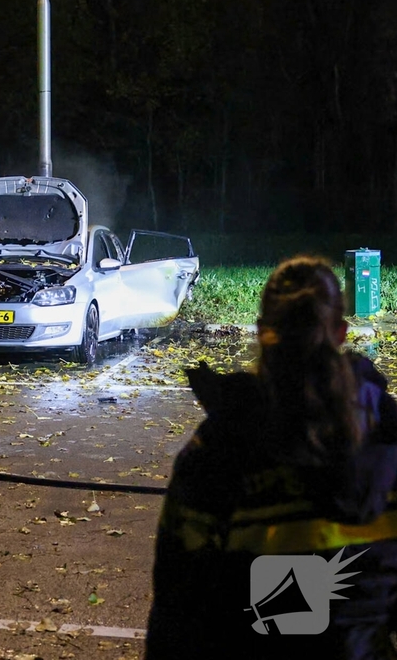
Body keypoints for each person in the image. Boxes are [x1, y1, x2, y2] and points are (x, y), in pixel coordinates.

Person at [146, 255, 397, 659]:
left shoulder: (219, 447)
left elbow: (178, 613)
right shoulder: (388, 433)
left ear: (263, 332)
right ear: (340, 333)